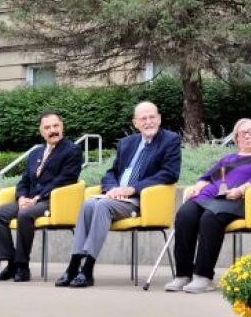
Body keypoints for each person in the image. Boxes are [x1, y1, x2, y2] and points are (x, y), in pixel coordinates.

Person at [56, 101, 181, 288]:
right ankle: (74, 265)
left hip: (140, 200)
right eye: (143, 118)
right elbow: (111, 172)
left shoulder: (169, 140)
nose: (148, 122)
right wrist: (113, 189)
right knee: (89, 203)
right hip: (116, 196)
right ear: (135, 123)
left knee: (101, 206)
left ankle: (87, 269)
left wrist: (132, 189)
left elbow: (170, 173)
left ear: (159, 118)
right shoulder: (127, 143)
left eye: (152, 117)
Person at [165, 118, 251, 293]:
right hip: (209, 197)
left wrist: (241, 190)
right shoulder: (229, 158)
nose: (248, 135)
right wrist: (196, 187)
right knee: (185, 214)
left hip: (239, 200)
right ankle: (183, 274)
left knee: (210, 218)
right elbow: (209, 177)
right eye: (243, 133)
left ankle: (203, 277)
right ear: (237, 140)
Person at [0, 111, 83, 282]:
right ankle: (11, 264)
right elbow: (24, 180)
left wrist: (37, 198)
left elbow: (65, 179)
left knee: (24, 215)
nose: (52, 130)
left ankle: (22, 266)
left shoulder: (72, 150)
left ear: (62, 127)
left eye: (55, 126)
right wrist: (21, 197)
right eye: (47, 127)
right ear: (41, 131)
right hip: (30, 200)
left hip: (53, 200)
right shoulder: (35, 153)